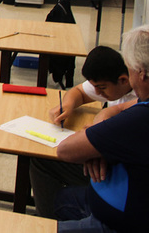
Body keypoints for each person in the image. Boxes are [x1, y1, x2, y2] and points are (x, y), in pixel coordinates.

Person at [54, 25, 149, 232]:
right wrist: (100, 141)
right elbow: (118, 109)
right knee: (62, 199)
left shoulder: (141, 117)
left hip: (120, 223)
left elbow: (65, 149)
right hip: (113, 197)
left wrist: (97, 142)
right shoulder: (141, 103)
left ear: (141, 74)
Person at [29, 46, 137, 219]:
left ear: (124, 80)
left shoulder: (139, 99)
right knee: (41, 159)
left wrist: (97, 141)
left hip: (121, 174)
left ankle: (50, 220)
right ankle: (50, 216)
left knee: (48, 160)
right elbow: (79, 92)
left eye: (101, 88)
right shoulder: (114, 82)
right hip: (105, 156)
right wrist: (68, 106)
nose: (97, 93)